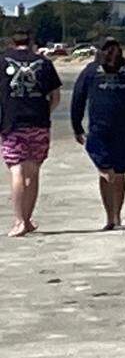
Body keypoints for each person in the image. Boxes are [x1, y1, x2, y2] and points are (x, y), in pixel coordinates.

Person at [70, 38, 125, 230]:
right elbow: (78, 98)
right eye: (107, 51)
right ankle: (110, 216)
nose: (111, 55)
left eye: (114, 50)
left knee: (119, 173)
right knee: (107, 172)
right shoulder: (91, 72)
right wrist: (76, 127)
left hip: (124, 131)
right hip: (99, 131)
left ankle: (115, 217)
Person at [1, 30, 63, 237]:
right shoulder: (44, 63)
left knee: (17, 171)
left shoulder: (2, 61)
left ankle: (19, 220)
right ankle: (27, 219)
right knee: (33, 172)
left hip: (12, 124)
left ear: (12, 42)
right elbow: (55, 96)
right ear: (32, 42)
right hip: (39, 123)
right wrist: (45, 113)